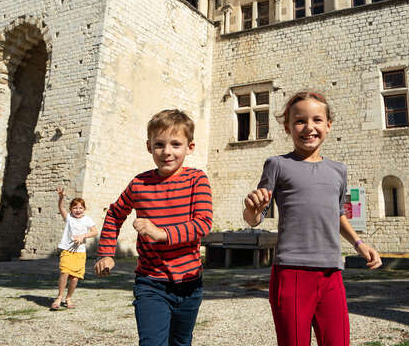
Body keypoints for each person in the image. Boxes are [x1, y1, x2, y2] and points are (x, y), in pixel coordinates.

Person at [243, 91, 382, 346]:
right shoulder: (277, 165)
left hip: (331, 272)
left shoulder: (339, 170)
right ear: (287, 127)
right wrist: (252, 210)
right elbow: (256, 216)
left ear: (328, 125)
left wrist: (360, 244)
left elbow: (337, 213)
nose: (309, 127)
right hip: (291, 272)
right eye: (300, 121)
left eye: (317, 120)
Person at [94, 109, 212, 346]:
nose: (167, 151)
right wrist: (106, 253)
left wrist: (162, 233)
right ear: (149, 146)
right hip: (151, 282)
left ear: (190, 147)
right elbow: (115, 213)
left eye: (175, 144)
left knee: (180, 342)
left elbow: (203, 223)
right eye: (159, 144)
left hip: (189, 284)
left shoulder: (197, 180)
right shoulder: (140, 184)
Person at [52, 188, 98, 310]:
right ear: (71, 209)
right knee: (64, 272)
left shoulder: (87, 219)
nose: (78, 210)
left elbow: (94, 232)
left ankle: (69, 298)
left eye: (80, 208)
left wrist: (83, 236)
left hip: (80, 252)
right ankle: (59, 297)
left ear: (84, 209)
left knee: (75, 278)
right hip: (67, 250)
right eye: (75, 208)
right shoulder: (69, 218)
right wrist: (61, 197)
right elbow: (61, 208)